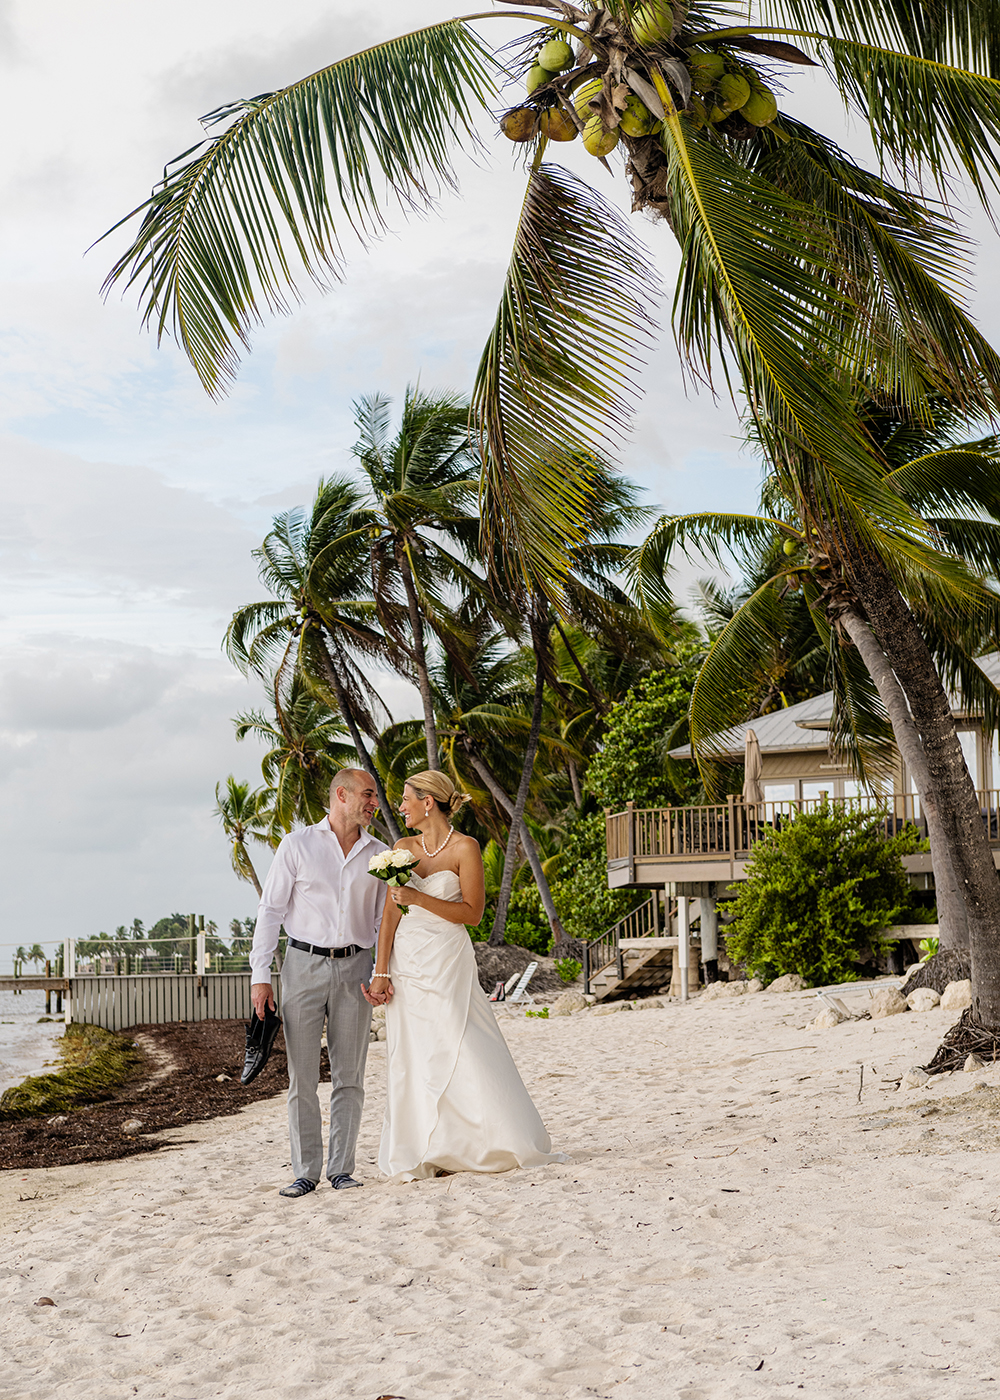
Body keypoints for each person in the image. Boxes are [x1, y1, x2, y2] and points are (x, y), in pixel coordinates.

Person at [364, 770, 567, 1182]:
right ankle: (429, 1146)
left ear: (428, 801)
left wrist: (419, 897)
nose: (399, 806)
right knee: (414, 1051)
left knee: (464, 1039)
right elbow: (389, 917)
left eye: (405, 798)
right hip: (407, 963)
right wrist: (381, 970)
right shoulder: (400, 849)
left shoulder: (465, 848)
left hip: (447, 958)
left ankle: (491, 1137)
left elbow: (472, 914)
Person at [250, 769, 387, 1198]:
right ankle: (305, 1171)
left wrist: (382, 971)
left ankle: (342, 1169)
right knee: (302, 1077)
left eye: (376, 796)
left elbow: (385, 921)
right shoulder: (297, 845)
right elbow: (270, 912)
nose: (374, 803)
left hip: (357, 968)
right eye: (367, 795)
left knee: (350, 1075)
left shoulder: (380, 854)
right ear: (341, 795)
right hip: (301, 966)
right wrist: (260, 978)